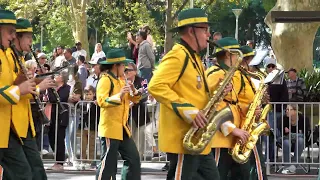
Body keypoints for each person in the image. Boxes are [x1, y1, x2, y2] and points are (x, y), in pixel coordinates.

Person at [148, 8, 221, 180]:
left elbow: (195, 90)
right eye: (205, 29)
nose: (208, 34)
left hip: (198, 138)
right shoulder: (178, 55)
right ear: (191, 30)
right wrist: (188, 111)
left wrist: (217, 91)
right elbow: (156, 85)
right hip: (183, 139)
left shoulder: (194, 57)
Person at [8, 18, 55, 179]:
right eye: (28, 37)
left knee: (36, 170)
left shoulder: (19, 58)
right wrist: (37, 87)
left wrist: (39, 81)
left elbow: (21, 86)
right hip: (12, 124)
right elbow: (15, 88)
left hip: (23, 123)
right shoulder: (7, 56)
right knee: (24, 172)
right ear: (17, 38)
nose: (31, 41)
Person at [0, 10, 41, 180]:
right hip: (9, 127)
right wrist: (21, 88)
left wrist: (22, 82)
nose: (12, 36)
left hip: (9, 129)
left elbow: (8, 85)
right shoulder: (6, 55)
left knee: (23, 173)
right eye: (10, 32)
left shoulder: (5, 54)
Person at [206, 37, 250, 180]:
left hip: (231, 139)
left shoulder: (227, 73)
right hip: (220, 138)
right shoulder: (215, 74)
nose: (239, 58)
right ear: (227, 54)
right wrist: (232, 129)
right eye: (237, 54)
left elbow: (233, 103)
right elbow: (210, 107)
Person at [96, 49, 142, 180]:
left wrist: (133, 90)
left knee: (134, 160)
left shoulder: (122, 80)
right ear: (115, 66)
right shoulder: (105, 80)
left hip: (123, 128)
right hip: (110, 128)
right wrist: (120, 95)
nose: (125, 68)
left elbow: (135, 99)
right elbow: (102, 101)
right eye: (123, 65)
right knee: (108, 165)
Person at [228, 45, 268, 180]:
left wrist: (260, 102)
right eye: (249, 60)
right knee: (254, 167)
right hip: (243, 126)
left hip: (248, 125)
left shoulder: (246, 76)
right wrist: (249, 108)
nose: (251, 64)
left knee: (250, 168)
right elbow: (233, 101)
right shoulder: (237, 76)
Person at [277, 104, 310, 174]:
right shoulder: (283, 119)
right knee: (286, 142)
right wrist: (297, 135)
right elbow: (282, 134)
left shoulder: (303, 119)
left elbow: (305, 134)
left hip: (300, 142)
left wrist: (290, 134)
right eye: (286, 110)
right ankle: (287, 166)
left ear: (295, 111)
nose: (286, 111)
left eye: (289, 110)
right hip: (286, 140)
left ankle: (294, 165)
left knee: (300, 140)